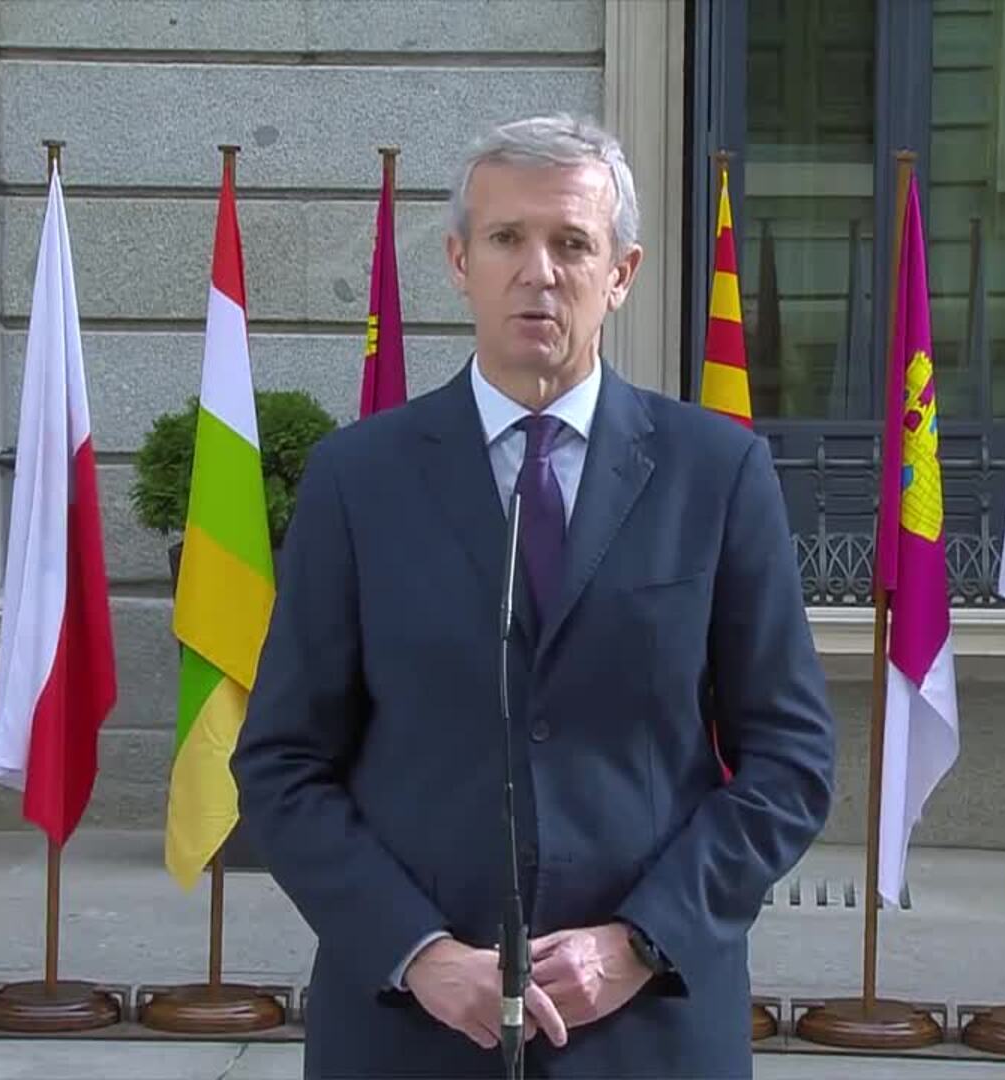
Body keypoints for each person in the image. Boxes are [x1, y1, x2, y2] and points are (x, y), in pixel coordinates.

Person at [232, 113, 837, 1078]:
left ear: (622, 273)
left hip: (648, 1028)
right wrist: (416, 952)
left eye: (572, 243)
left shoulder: (717, 474)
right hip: (410, 1030)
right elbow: (282, 763)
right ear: (459, 261)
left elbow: (792, 761)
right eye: (507, 238)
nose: (538, 272)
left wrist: (641, 941)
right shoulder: (358, 480)